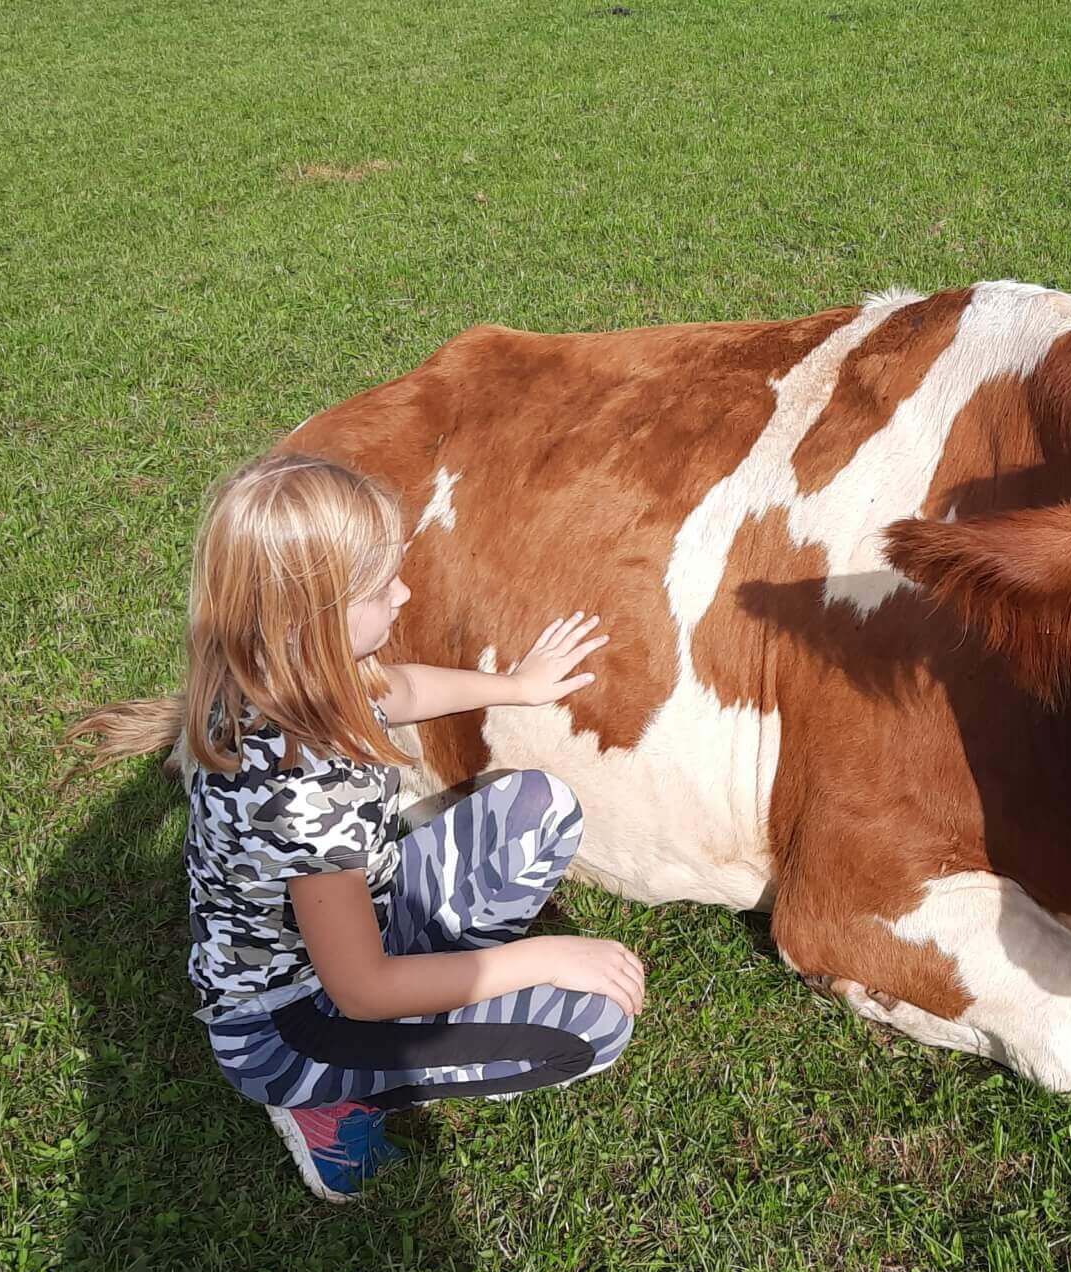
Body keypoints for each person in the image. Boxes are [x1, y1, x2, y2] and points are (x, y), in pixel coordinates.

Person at [65, 453, 642, 1201]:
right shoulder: (307, 794)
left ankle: (435, 992)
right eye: (380, 587)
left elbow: (399, 690)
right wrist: (547, 957)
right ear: (308, 617)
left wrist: (518, 686)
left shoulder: (276, 667)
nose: (405, 593)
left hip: (353, 931)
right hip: (293, 1024)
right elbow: (363, 989)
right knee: (591, 1027)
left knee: (538, 807)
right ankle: (327, 1106)